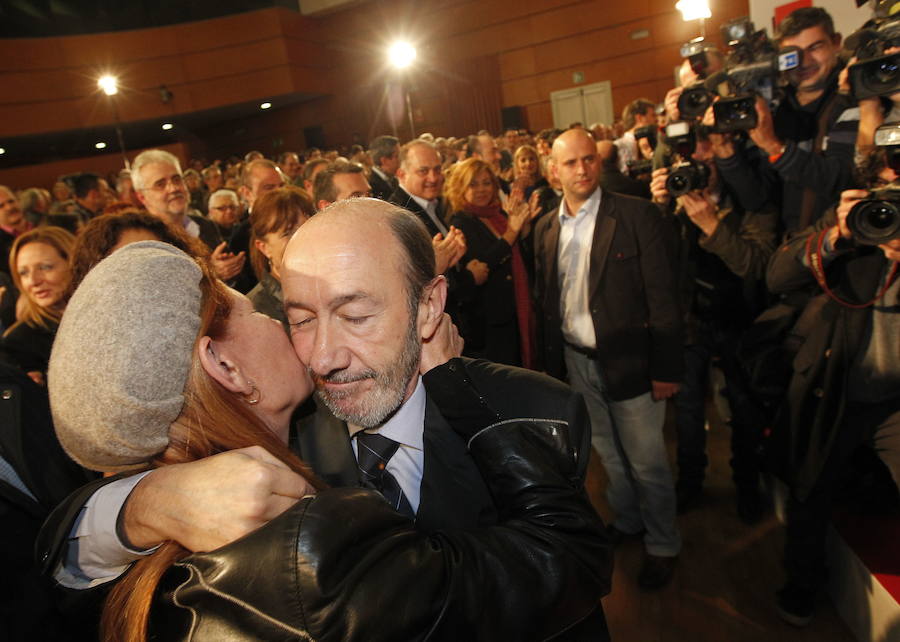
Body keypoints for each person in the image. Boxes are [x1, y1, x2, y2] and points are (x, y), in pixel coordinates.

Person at [44, 225, 611, 640]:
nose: (321, 355)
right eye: (294, 318)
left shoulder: (537, 410)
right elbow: (567, 559)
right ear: (225, 369)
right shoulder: (307, 549)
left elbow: (60, 553)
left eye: (357, 316)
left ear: (429, 305)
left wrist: (144, 502)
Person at [534, 127, 683, 590]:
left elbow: (663, 297)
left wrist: (666, 369)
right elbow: (547, 301)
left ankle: (663, 544)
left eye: (589, 160)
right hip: (578, 362)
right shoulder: (545, 226)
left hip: (633, 362)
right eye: (572, 163)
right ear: (553, 171)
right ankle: (630, 520)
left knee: (647, 462)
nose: (582, 169)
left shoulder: (636, 216)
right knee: (609, 457)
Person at [766, 148, 900, 625]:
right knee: (811, 489)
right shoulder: (853, 217)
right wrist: (840, 236)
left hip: (896, 400)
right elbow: (778, 274)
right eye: (886, 189)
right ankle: (801, 585)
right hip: (838, 383)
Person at [445, 158, 537, 367]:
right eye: (473, 184)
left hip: (513, 311)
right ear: (460, 188)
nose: (481, 190)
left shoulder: (499, 214)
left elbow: (520, 258)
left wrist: (523, 231)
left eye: (487, 183)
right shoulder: (460, 222)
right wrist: (512, 233)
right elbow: (483, 264)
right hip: (489, 322)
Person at [0, 226, 75, 385]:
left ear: (73, 263)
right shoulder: (18, 343)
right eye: (24, 273)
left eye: (45, 267)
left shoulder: (106, 317)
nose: (34, 281)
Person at [247, 185, 316, 329]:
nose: (303, 238)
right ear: (264, 247)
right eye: (288, 233)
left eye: (308, 226)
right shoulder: (256, 312)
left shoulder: (332, 286)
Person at [367, 135, 400, 200]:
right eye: (397, 156)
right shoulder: (372, 186)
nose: (401, 159)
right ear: (384, 161)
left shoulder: (394, 179)